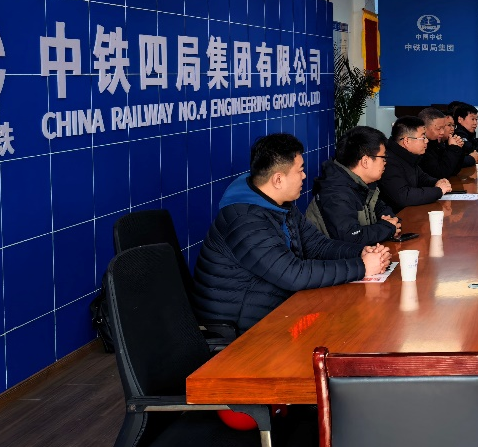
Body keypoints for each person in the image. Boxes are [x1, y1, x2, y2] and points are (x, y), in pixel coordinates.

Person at [192, 133, 391, 334]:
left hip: (275, 310)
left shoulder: (279, 205)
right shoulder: (243, 220)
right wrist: (361, 267)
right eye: (300, 170)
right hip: (242, 330)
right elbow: (293, 274)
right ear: (278, 179)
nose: (304, 176)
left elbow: (318, 246)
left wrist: (362, 252)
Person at [305, 126, 402, 245]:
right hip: (335, 256)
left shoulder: (364, 183)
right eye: (383, 158)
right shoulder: (335, 192)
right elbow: (350, 236)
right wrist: (387, 228)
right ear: (365, 161)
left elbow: (382, 209)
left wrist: (391, 222)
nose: (385, 162)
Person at [380, 116, 453, 211]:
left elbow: (421, 177)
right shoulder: (389, 161)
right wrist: (438, 191)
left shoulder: (407, 156)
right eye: (423, 137)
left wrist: (437, 182)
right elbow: (404, 196)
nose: (426, 141)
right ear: (407, 141)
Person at [418, 106, 475, 178]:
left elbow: (453, 171)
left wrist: (458, 148)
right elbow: (440, 174)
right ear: (424, 128)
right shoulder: (421, 147)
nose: (442, 132)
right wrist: (453, 148)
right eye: (439, 128)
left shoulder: (438, 144)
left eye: (443, 128)